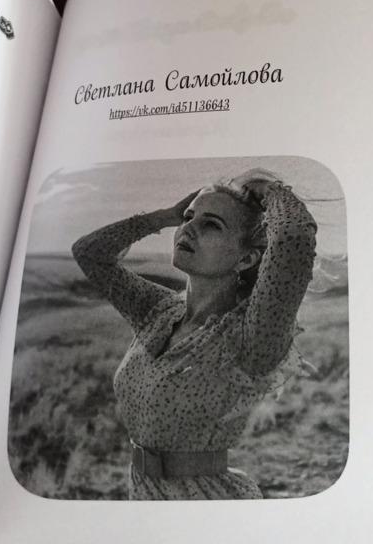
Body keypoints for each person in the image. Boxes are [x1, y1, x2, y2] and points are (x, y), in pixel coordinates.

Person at [72, 170, 317, 499]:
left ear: (246, 258)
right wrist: (163, 217)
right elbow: (89, 253)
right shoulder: (159, 312)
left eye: (211, 225)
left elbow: (294, 238)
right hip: (143, 495)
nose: (188, 229)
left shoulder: (252, 334)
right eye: (189, 217)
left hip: (209, 501)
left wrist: (268, 189)